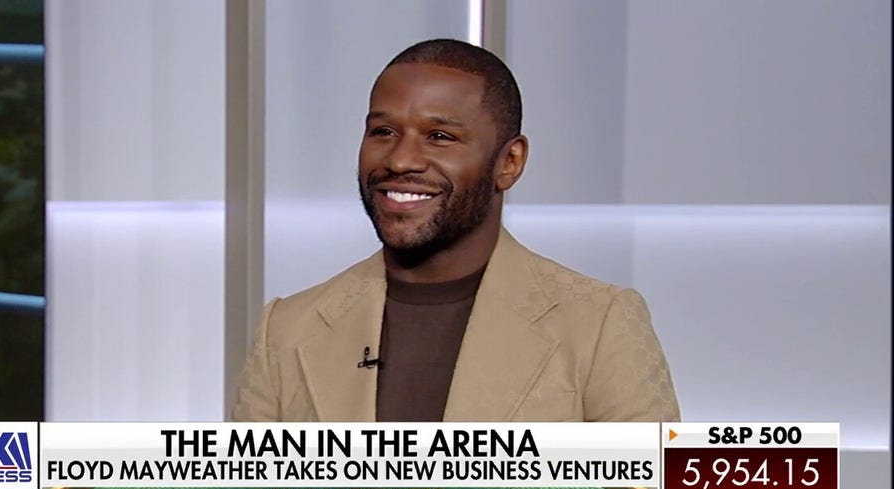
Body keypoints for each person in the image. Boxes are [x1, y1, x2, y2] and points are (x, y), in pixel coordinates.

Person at [232, 39, 679, 422]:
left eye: (440, 137)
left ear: (509, 162)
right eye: (383, 131)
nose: (401, 160)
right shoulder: (286, 329)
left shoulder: (599, 324)